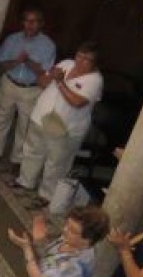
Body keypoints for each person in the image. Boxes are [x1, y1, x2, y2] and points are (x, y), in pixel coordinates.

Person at [15, 41, 104, 204]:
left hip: (65, 127)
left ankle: (47, 195)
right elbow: (42, 82)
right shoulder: (66, 63)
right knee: (32, 151)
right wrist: (50, 76)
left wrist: (60, 82)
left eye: (86, 59)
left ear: (95, 63)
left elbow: (77, 102)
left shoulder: (95, 80)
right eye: (79, 55)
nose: (80, 60)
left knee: (56, 163)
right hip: (41, 116)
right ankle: (25, 181)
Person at [0, 8, 58, 166]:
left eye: (34, 21)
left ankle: (17, 160)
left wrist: (28, 61)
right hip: (9, 83)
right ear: (22, 22)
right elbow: (1, 63)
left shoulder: (48, 45)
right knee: (0, 119)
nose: (30, 25)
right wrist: (17, 61)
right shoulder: (12, 40)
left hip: (31, 89)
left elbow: (45, 73)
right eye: (27, 20)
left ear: (41, 24)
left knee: (24, 126)